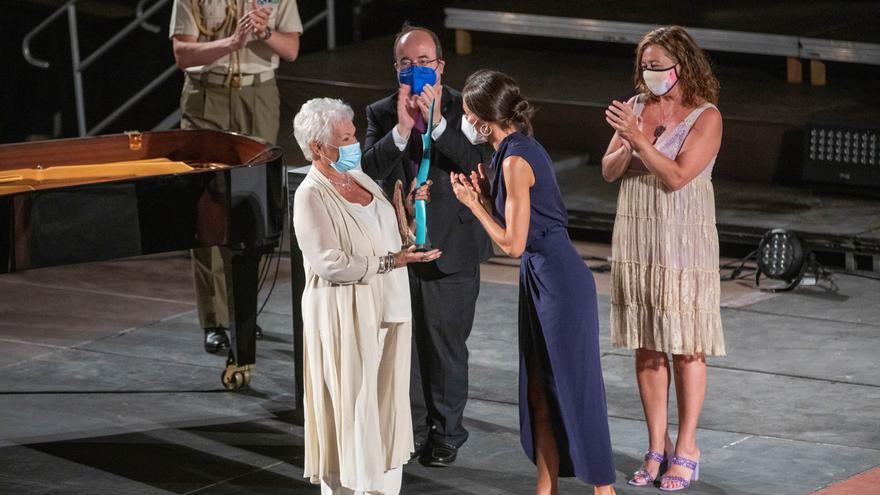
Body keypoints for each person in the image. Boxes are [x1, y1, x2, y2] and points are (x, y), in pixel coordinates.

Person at [450, 69, 617, 495]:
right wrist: (489, 199)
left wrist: (474, 206)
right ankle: (546, 488)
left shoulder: (515, 159)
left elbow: (512, 243)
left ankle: (604, 490)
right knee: (539, 390)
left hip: (560, 282)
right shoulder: (508, 150)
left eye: (468, 114)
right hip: (539, 279)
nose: (464, 122)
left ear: (484, 119)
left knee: (576, 389)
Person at [292, 97, 440, 495]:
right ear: (318, 148)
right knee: (351, 409)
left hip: (388, 309)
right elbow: (330, 263)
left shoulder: (357, 175)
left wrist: (407, 213)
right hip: (344, 316)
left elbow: (383, 232)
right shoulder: (310, 195)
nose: (355, 142)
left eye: (354, 133)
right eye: (346, 137)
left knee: (384, 408)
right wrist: (391, 262)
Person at [362, 23, 492, 466]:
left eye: (423, 63)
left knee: (446, 345)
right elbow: (367, 170)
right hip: (400, 252)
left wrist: (435, 124)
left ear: (440, 66)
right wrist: (400, 131)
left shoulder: (465, 108)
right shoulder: (380, 112)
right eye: (405, 63)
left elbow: (477, 163)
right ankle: (413, 428)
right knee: (406, 343)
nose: (414, 71)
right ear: (395, 68)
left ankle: (447, 433)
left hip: (450, 245)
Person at [602, 25, 725, 492]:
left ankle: (688, 446)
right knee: (648, 342)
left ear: (682, 66)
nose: (650, 75)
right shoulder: (634, 109)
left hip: (683, 237)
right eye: (645, 67)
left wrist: (639, 142)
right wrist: (629, 141)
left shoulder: (706, 117)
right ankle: (658, 444)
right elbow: (609, 169)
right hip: (638, 234)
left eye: (658, 67)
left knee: (685, 342)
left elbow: (676, 177)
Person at [169, 0, 302, 352]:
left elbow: (291, 49)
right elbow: (181, 54)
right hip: (206, 97)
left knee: (250, 208)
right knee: (205, 208)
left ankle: (244, 312)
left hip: (257, 96)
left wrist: (264, 32)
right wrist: (232, 42)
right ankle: (214, 319)